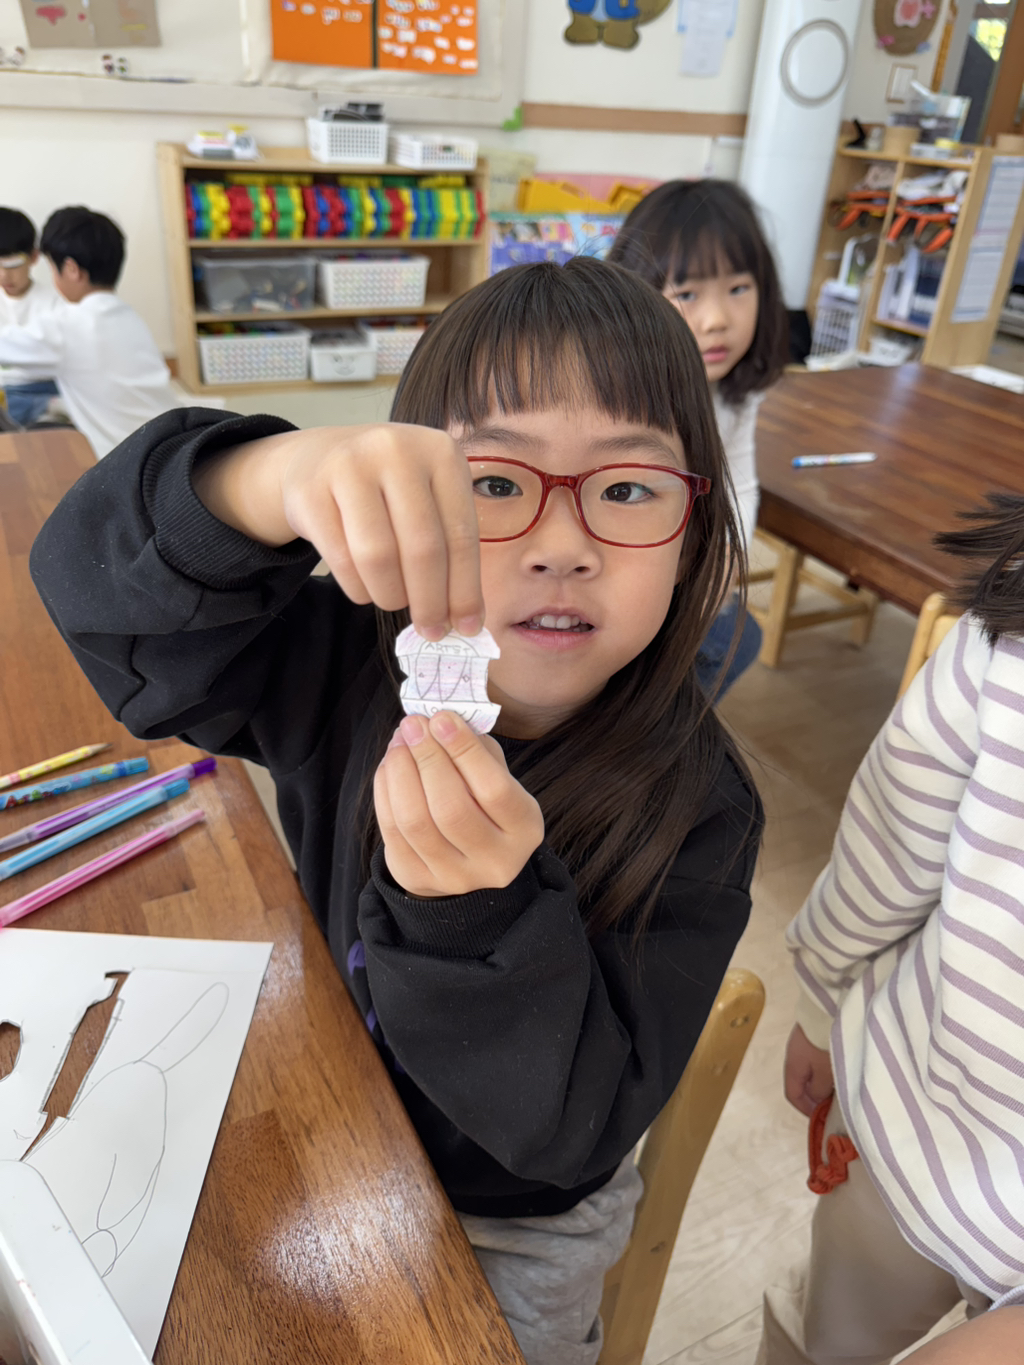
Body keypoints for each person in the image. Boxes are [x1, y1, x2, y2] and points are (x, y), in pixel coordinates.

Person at [31, 257, 763, 1365]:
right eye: (492, 482)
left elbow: (569, 1134)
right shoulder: (345, 656)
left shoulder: (702, 806)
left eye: (626, 490)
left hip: (509, 1220)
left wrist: (476, 916)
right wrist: (261, 481)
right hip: (327, 1095)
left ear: (693, 530)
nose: (561, 546)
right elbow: (104, 609)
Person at [759, 492, 1024, 1365]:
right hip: (917, 1120)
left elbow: (890, 843)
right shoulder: (1007, 624)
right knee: (827, 1333)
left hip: (918, 1119)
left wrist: (819, 1002)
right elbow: (891, 837)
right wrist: (819, 1005)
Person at [608, 179, 788, 698]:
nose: (716, 321)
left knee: (738, 637)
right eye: (687, 294)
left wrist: (725, 564)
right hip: (617, 568)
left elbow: (742, 484)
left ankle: (665, 727)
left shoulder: (735, 395)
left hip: (677, 567)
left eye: (738, 289)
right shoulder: (617, 396)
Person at [0, 206, 181, 459]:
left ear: (71, 270)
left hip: (131, 461)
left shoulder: (68, 326)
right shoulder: (128, 317)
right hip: (172, 441)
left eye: (52, 268)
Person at [0, 207, 62, 426]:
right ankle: (46, 409)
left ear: (34, 257)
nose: (4, 275)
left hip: (46, 385)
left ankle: (47, 409)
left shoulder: (53, 302)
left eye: (12, 265)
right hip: (6, 391)